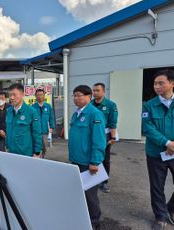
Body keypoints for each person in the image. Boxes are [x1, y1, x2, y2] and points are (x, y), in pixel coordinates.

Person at [68, 85, 106, 230]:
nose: (76, 98)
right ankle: (82, 218)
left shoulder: (95, 114)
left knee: (90, 195)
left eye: (79, 95)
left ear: (88, 97)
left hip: (88, 162)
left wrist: (95, 161)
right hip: (76, 160)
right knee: (79, 192)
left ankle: (94, 222)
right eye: (74, 95)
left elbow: (99, 140)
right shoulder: (76, 113)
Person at [142, 69, 174, 230]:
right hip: (156, 154)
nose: (157, 86)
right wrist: (167, 143)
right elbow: (148, 128)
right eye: (155, 83)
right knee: (157, 186)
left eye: (161, 83)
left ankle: (170, 209)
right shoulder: (149, 105)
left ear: (172, 83)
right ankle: (161, 217)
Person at [92, 83, 118, 193]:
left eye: (97, 90)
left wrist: (113, 137)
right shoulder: (90, 104)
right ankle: (92, 179)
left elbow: (113, 122)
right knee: (92, 156)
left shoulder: (111, 105)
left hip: (105, 135)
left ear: (103, 91)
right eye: (93, 90)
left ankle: (104, 182)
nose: (95, 93)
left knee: (105, 159)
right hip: (92, 134)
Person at [6, 83, 42, 157]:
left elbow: (37, 133)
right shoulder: (9, 111)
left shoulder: (31, 111)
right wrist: (7, 146)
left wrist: (37, 151)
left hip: (26, 153)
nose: (12, 98)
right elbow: (8, 131)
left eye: (14, 95)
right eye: (10, 95)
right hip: (11, 152)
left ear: (22, 95)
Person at [32, 88, 55, 158]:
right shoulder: (32, 107)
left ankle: (43, 159)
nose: (40, 96)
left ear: (44, 96)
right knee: (36, 148)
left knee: (45, 149)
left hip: (45, 132)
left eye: (41, 95)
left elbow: (51, 117)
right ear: (35, 96)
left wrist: (51, 127)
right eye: (38, 95)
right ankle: (38, 160)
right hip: (36, 132)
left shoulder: (48, 106)